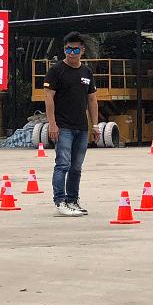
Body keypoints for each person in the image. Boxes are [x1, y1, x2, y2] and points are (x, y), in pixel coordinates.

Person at [43, 31, 100, 216]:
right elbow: (48, 98)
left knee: (76, 167)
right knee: (63, 164)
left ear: (82, 50)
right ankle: (60, 201)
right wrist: (52, 124)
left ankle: (72, 200)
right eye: (68, 49)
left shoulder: (86, 72)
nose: (72, 53)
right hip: (63, 127)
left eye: (76, 49)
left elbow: (92, 99)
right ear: (64, 50)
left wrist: (95, 125)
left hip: (81, 127)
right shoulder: (56, 70)